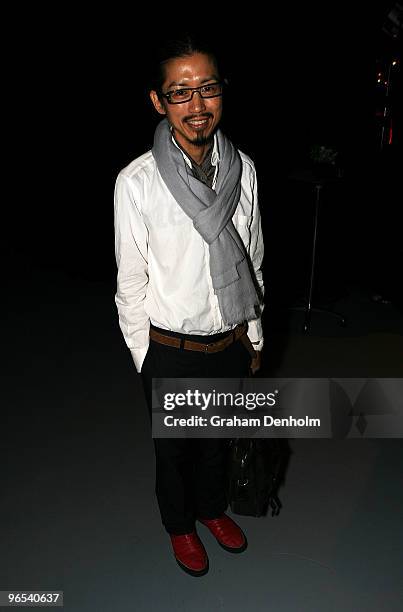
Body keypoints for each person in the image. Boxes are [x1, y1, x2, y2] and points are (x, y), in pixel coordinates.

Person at [113, 33, 264, 577]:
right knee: (174, 452)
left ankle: (211, 509)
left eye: (208, 88)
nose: (197, 105)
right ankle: (179, 525)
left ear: (223, 92)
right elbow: (130, 280)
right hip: (169, 347)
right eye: (181, 92)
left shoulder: (243, 168)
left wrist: (254, 334)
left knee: (217, 441)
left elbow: (253, 257)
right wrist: (143, 358)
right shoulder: (137, 182)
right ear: (158, 101)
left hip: (228, 338)